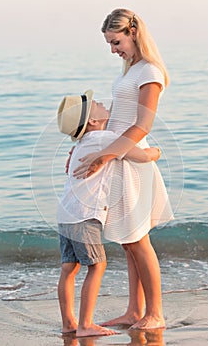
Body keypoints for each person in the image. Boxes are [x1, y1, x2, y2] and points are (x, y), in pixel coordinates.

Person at [73, 9, 174, 330]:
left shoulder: (150, 72)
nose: (113, 49)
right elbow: (114, 119)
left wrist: (105, 155)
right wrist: (83, 148)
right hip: (120, 158)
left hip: (130, 160)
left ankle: (154, 314)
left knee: (137, 240)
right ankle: (134, 311)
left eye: (116, 42)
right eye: (109, 44)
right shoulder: (130, 70)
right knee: (129, 241)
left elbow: (142, 125)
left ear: (133, 32)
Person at [57, 89, 162, 337]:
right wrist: (157, 152)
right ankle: (85, 325)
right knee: (97, 265)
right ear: (93, 121)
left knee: (68, 269)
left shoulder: (82, 144)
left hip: (65, 215)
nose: (102, 102)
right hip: (85, 215)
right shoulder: (107, 139)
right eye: (96, 103)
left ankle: (68, 323)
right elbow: (143, 156)